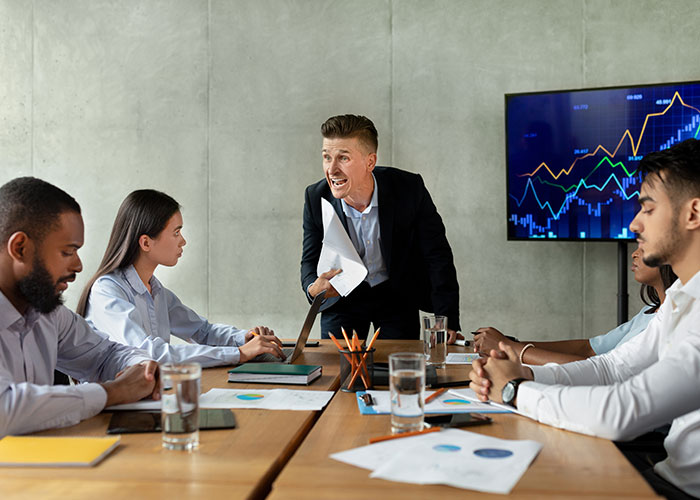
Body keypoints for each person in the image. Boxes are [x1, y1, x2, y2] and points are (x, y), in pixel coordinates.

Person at [469, 138, 700, 499]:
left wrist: (516, 391)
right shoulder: (681, 299)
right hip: (664, 477)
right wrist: (524, 374)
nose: (635, 224)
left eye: (648, 209)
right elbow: (612, 369)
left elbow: (624, 411)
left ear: (693, 213)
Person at [0, 177, 159, 437]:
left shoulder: (48, 314)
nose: (78, 267)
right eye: (67, 252)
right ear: (20, 248)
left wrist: (143, 368)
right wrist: (114, 392)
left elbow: (106, 354)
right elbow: (5, 409)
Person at [77, 189, 285, 367]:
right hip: (112, 406)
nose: (183, 241)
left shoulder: (157, 292)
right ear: (146, 243)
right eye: (176, 233)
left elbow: (202, 331)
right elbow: (149, 354)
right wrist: (239, 354)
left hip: (148, 396)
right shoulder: (107, 291)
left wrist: (245, 338)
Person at [301, 114, 461, 340]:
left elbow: (437, 256)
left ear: (370, 162)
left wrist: (446, 319)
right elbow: (309, 259)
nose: (332, 169)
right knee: (338, 371)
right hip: (343, 297)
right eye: (327, 157)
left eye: (343, 158)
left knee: (397, 371)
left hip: (396, 295)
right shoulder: (315, 197)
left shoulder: (409, 189)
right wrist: (312, 289)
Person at [473, 246, 677, 365]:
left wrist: (512, 349)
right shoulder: (649, 311)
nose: (634, 253)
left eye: (644, 244)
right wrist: (509, 344)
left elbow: (603, 372)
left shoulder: (674, 320)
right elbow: (589, 348)